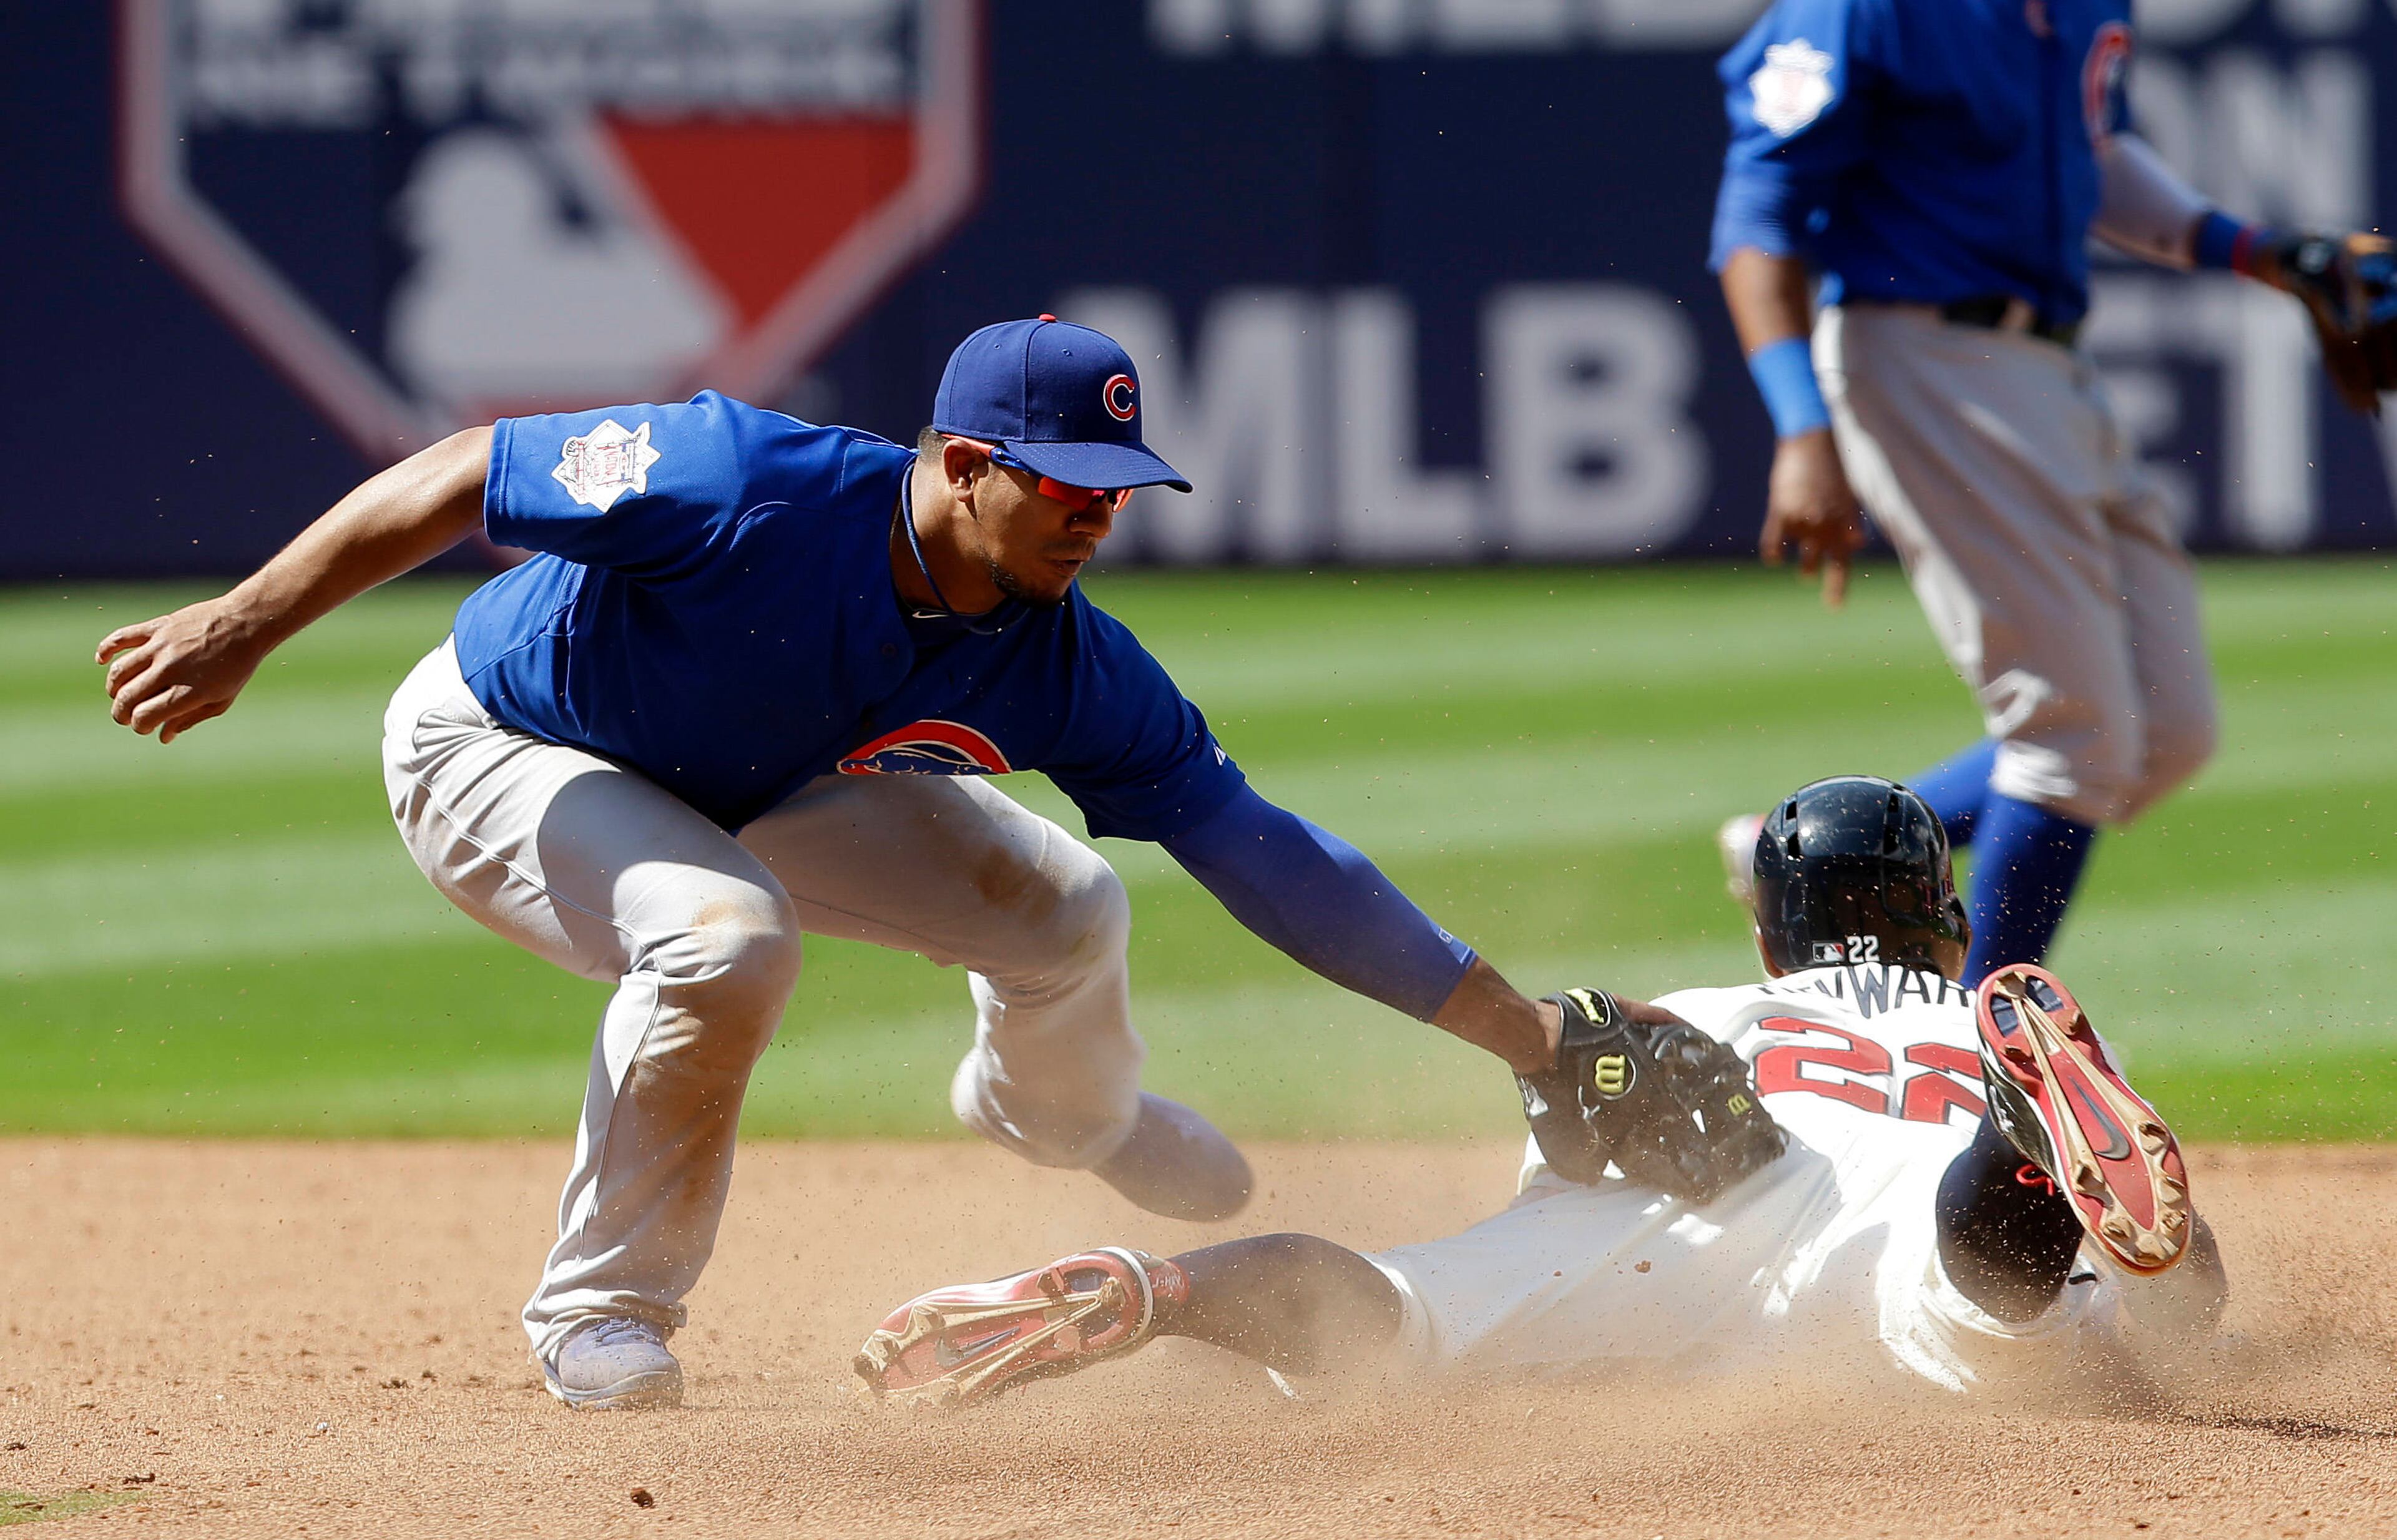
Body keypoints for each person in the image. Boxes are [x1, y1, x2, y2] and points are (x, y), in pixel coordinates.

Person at [96, 316, 1672, 1412]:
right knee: (724, 934)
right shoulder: (739, 481)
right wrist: (242, 626)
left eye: (1115, 492)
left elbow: (1270, 857)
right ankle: (604, 1311)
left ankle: (1075, 1114)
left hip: (758, 777)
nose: (1092, 520)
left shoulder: (1065, 657)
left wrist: (1527, 1037)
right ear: (964, 460)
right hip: (504, 750)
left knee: (1069, 904)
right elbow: (462, 470)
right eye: (1063, 484)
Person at [855, 777, 2225, 1407]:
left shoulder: (1705, 1008)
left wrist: (1588, 1062)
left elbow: (1582, 1068)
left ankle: (1160, 1292)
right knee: (2000, 1327)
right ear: (1945, 928)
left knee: (1397, 1314)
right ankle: (2017, 1155)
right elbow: (2189, 1284)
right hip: (1892, 1200)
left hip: (1694, 1199)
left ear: (1771, 934)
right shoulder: (1959, 1017)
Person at [1708, 0, 2387, 985]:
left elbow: (2095, 154)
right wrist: (1800, 427)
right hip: (1918, 348)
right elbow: (1756, 219)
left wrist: (2262, 253)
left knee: (2163, 729)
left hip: (2052, 366)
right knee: (2069, 739)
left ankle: (1809, 857)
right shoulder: (1865, 9)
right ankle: (1983, 1066)